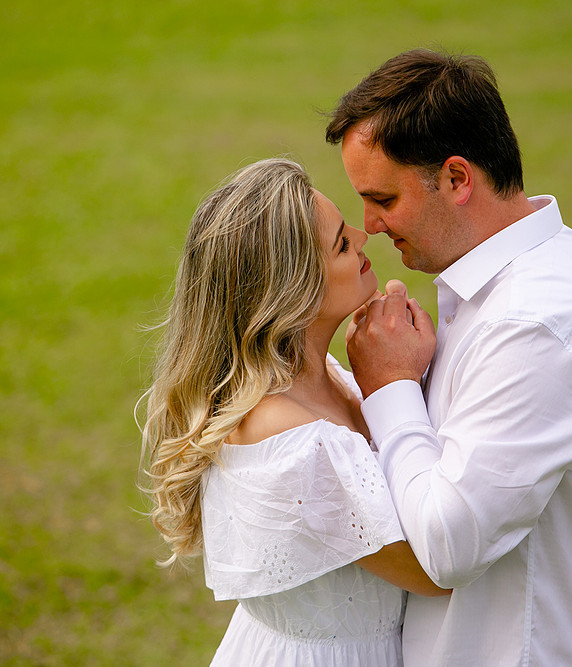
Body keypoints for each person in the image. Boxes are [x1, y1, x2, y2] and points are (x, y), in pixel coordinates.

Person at [324, 50, 572, 665]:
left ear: (457, 179)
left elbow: (450, 544)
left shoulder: (535, 319)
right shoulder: (496, 282)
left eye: (383, 199)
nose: (368, 224)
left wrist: (391, 387)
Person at [138, 157, 449, 666]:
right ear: (295, 290)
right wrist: (396, 385)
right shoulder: (289, 439)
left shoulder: (327, 375)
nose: (362, 234)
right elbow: (437, 569)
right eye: (342, 244)